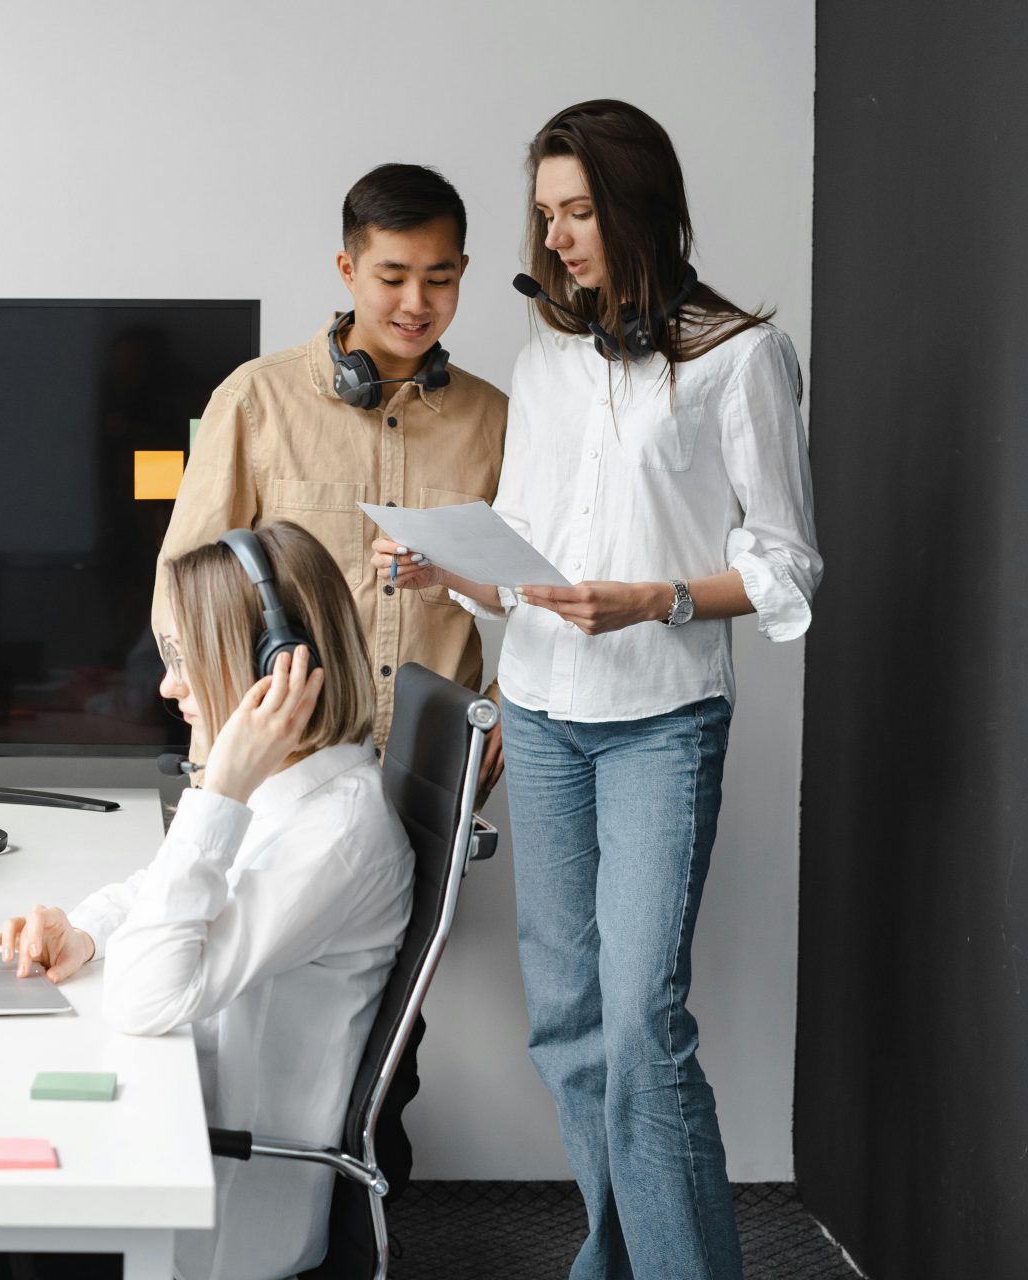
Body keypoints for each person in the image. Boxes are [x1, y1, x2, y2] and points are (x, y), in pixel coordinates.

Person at [375, 100, 820, 1279]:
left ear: (639, 208)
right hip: (540, 707)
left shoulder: (741, 356)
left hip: (660, 720)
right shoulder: (546, 358)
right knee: (568, 1025)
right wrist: (443, 565)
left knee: (642, 1029)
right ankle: (613, 1260)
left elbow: (786, 560)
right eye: (547, 213)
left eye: (578, 211)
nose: (558, 237)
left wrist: (658, 599)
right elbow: (529, 547)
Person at [0, 521, 414, 1280]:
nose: (167, 686)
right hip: (175, 1138)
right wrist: (83, 930)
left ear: (275, 668)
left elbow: (148, 997)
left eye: (187, 659)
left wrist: (220, 786)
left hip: (215, 1217)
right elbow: (165, 888)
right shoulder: (296, 793)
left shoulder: (337, 832)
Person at [154, 163, 508, 792]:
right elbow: (184, 585)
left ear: (463, 272)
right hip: (280, 778)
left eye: (439, 279)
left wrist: (509, 701)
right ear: (348, 270)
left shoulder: (497, 420)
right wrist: (217, 754)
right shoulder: (253, 400)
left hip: (426, 775)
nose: (416, 304)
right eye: (392, 277)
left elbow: (544, 591)